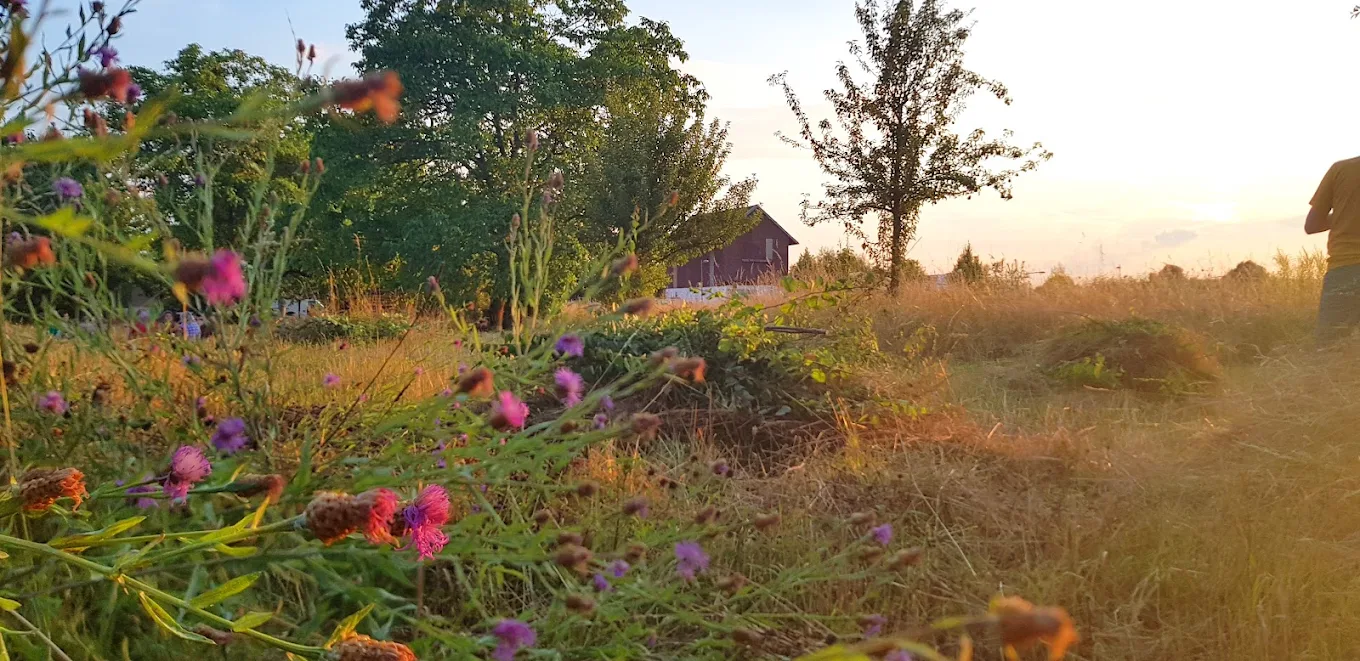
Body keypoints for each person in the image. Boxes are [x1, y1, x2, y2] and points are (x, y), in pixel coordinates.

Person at [1307, 156, 1360, 344]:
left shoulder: (1341, 169)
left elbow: (1312, 225)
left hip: (1343, 270)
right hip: (1342, 269)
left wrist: (1344, 215)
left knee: (1329, 351)